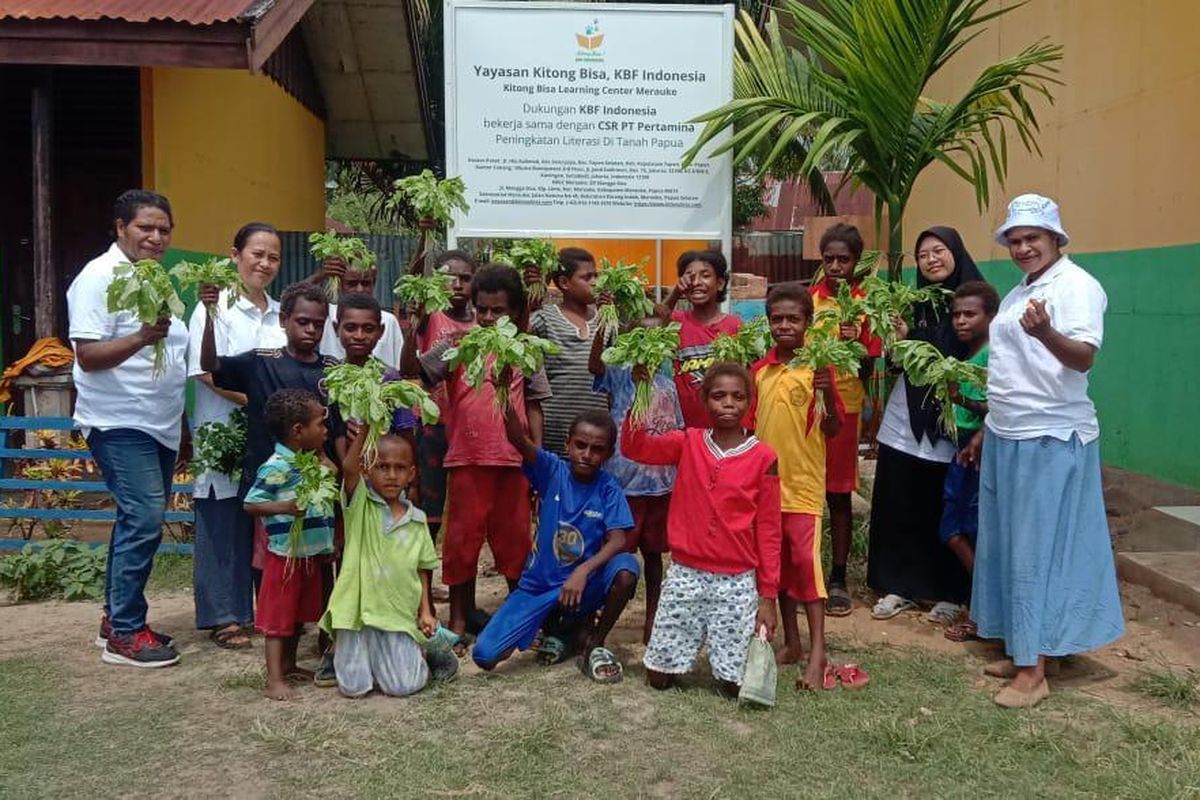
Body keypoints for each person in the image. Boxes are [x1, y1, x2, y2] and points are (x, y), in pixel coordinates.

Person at [972, 194, 1123, 708]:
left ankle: (1033, 672)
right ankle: (1028, 647)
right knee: (1010, 545)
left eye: (1032, 237)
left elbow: (1082, 359)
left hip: (1051, 434)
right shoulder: (1020, 292)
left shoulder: (1077, 287)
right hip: (1008, 431)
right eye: (1015, 239)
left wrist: (1046, 332)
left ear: (1056, 239)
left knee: (1037, 551)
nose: (1022, 247)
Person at [69, 189, 188, 668]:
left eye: (164, 229)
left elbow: (172, 357)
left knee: (135, 521)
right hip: (119, 421)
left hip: (157, 422)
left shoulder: (153, 278)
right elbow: (88, 356)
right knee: (143, 519)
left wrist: (179, 425)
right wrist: (143, 335)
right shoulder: (98, 277)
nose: (156, 237)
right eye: (146, 227)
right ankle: (124, 631)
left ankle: (115, 618)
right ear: (121, 228)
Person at [623, 363, 780, 696]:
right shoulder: (688, 442)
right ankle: (674, 657)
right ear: (704, 400)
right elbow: (634, 447)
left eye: (738, 397)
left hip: (736, 580)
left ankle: (727, 665)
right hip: (686, 573)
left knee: (731, 687)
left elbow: (768, 531)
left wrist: (767, 596)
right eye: (719, 396)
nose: (728, 404)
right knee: (659, 679)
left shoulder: (764, 457)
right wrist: (641, 392)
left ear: (750, 402)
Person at [415, 264, 551, 646]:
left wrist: (537, 457)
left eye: (499, 311)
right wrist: (419, 319)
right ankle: (458, 621)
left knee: (515, 543)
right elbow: (420, 371)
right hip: (466, 459)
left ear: (517, 312)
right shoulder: (458, 342)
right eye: (483, 310)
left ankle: (519, 618)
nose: (489, 318)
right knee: (461, 542)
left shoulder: (526, 348)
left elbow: (536, 403)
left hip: (513, 462)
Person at [473, 407, 640, 681]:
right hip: (538, 587)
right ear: (568, 444)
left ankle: (593, 643)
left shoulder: (609, 488)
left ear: (608, 454)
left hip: (581, 586)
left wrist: (582, 571)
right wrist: (504, 396)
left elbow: (619, 539)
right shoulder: (552, 471)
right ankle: (557, 628)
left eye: (597, 449)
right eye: (580, 445)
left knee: (626, 569)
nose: (586, 455)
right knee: (486, 655)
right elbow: (519, 439)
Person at [867, 226, 981, 624]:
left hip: (953, 416)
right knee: (900, 500)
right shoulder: (912, 301)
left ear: (956, 252)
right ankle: (900, 586)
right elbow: (898, 362)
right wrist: (898, 339)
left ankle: (949, 591)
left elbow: (965, 353)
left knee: (943, 504)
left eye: (939, 251)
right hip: (906, 414)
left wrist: (915, 338)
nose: (931, 259)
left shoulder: (974, 299)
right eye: (923, 254)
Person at [187, 221, 286, 650]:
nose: (264, 263)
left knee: (263, 520)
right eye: (256, 254)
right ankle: (224, 614)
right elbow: (207, 372)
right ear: (235, 255)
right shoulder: (216, 308)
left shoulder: (281, 312)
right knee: (222, 519)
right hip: (224, 428)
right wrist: (262, 404)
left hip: (269, 437)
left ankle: (265, 611)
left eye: (273, 257)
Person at [749, 284, 845, 691]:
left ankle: (818, 650)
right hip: (766, 487)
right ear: (769, 322)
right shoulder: (760, 371)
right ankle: (792, 643)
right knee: (777, 567)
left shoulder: (818, 369)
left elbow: (834, 427)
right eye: (777, 319)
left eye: (794, 319)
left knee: (806, 567)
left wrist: (825, 390)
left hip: (804, 485)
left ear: (808, 322)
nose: (784, 326)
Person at [319, 421, 456, 698]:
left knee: (404, 686)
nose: (392, 475)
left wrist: (426, 611)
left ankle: (430, 654)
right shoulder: (360, 506)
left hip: (397, 614)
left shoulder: (416, 521)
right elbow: (348, 468)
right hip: (357, 616)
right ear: (368, 470)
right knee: (353, 688)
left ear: (411, 473)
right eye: (383, 467)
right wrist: (368, 427)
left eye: (400, 468)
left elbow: (423, 569)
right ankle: (348, 658)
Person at [588, 314, 683, 645]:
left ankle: (653, 619)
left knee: (655, 555)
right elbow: (595, 364)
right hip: (623, 484)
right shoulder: (618, 374)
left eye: (657, 343)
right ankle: (602, 618)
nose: (649, 350)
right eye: (641, 341)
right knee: (618, 555)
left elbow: (677, 433)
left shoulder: (668, 386)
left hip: (660, 486)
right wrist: (605, 319)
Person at [809, 223, 883, 617]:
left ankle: (838, 578)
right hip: (807, 405)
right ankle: (807, 573)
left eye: (844, 259)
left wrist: (857, 342)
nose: (836, 265)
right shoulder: (810, 299)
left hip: (846, 407)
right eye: (829, 258)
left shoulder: (865, 303)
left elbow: (871, 364)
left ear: (856, 262)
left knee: (837, 494)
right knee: (802, 493)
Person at [243, 389, 337, 701]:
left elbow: (333, 479)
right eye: (320, 425)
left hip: (308, 554)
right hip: (284, 556)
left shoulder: (308, 463)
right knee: (278, 620)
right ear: (298, 431)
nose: (325, 430)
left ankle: (291, 664)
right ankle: (274, 679)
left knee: (297, 616)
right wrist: (284, 508)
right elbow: (251, 504)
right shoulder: (277, 466)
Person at [401, 250, 477, 542]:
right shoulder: (430, 316)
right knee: (428, 505)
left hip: (467, 425)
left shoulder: (482, 322)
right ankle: (424, 583)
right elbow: (413, 277)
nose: (457, 285)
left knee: (461, 506)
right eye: (449, 278)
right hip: (432, 424)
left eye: (465, 278)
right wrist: (424, 234)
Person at [939, 281, 999, 643]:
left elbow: (997, 405)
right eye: (957, 315)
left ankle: (983, 609)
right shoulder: (969, 354)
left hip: (975, 449)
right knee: (954, 527)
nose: (961, 321)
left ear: (991, 317)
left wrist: (959, 398)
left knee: (961, 528)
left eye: (970, 314)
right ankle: (982, 606)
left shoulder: (993, 354)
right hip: (961, 445)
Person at [529, 248, 610, 456]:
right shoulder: (544, 318)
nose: (595, 282)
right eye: (587, 277)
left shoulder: (608, 320)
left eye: (596, 276)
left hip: (597, 435)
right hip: (555, 432)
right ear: (564, 283)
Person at [657, 250, 742, 428]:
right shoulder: (675, 322)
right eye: (689, 276)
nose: (696, 282)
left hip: (724, 428)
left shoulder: (735, 327)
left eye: (705, 276)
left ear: (719, 283)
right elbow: (653, 323)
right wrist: (675, 294)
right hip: (684, 429)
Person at [316, 252, 404, 368]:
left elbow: (399, 364)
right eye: (352, 284)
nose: (359, 289)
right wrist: (320, 276)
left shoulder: (388, 320)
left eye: (366, 283)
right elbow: (296, 301)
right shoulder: (325, 315)